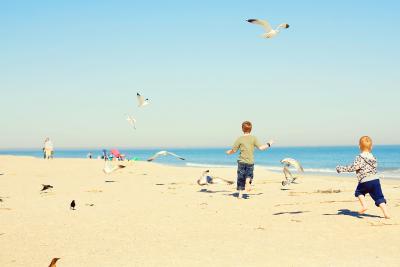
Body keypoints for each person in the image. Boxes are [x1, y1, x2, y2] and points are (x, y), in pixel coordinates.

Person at [336, 136, 390, 219]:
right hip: (375, 180)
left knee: (359, 192)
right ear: (371, 147)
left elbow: (353, 168)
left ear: (359, 146)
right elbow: (375, 166)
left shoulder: (359, 157)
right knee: (379, 197)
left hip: (365, 180)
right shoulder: (373, 157)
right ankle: (386, 213)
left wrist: (341, 169)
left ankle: (364, 205)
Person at [226, 121, 273, 198]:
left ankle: (240, 195)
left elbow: (234, 150)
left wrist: (229, 152)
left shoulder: (239, 139)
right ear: (251, 129)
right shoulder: (253, 138)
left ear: (242, 129)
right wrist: (269, 144)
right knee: (249, 175)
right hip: (250, 162)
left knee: (240, 177)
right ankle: (248, 182)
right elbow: (261, 148)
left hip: (241, 161)